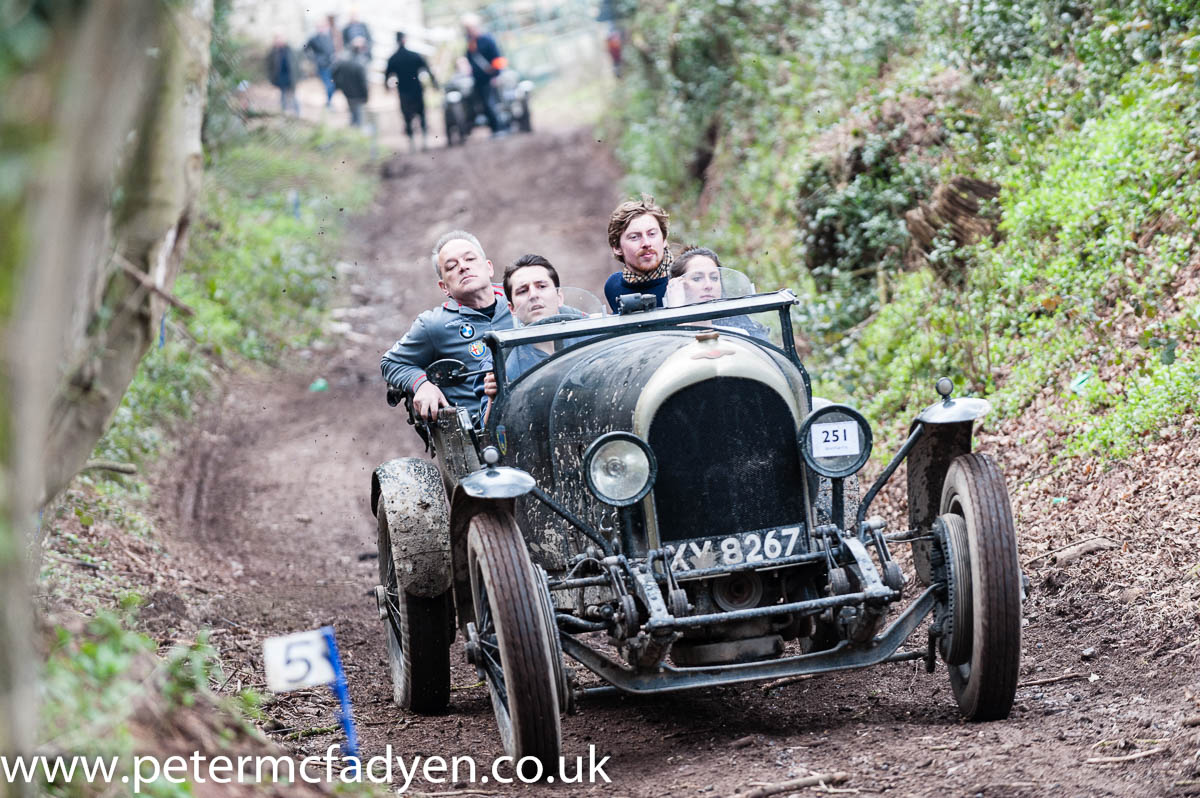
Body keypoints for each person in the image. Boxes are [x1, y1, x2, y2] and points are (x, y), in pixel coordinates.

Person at [381, 231, 513, 421]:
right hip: (482, 435)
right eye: (451, 266)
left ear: (489, 267)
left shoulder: (522, 298)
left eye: (470, 259)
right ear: (444, 287)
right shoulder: (434, 325)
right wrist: (422, 384)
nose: (463, 267)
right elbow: (391, 363)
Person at [665, 246, 770, 339]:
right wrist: (676, 312)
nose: (709, 285)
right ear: (678, 286)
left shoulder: (741, 333)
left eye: (714, 278)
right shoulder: (662, 336)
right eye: (697, 278)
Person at [603, 195, 673, 312]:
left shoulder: (683, 281)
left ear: (664, 239)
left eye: (652, 234)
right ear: (616, 247)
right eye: (634, 237)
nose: (646, 243)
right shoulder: (613, 287)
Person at [385, 32, 439, 152]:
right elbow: (427, 69)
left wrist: (386, 88)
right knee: (421, 114)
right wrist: (434, 84)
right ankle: (425, 141)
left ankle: (412, 144)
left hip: (403, 91)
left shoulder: (394, 58)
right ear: (405, 40)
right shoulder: (414, 56)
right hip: (417, 89)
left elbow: (387, 75)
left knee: (407, 116)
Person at [462, 13, 506, 135]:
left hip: (490, 77)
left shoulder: (488, 40)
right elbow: (469, 58)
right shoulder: (471, 43)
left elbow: (497, 58)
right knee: (483, 104)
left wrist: (497, 75)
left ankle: (499, 128)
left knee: (491, 103)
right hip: (478, 79)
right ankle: (494, 128)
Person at [332, 38, 370, 127]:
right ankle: (356, 132)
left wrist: (339, 86)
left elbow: (334, 73)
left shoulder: (343, 59)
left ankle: (353, 128)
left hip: (347, 92)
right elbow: (363, 82)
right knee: (358, 115)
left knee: (353, 112)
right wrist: (366, 95)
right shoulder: (360, 63)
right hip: (358, 94)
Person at [303, 22, 337, 107]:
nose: (321, 29)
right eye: (319, 27)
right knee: (329, 85)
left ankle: (329, 102)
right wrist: (313, 58)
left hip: (331, 65)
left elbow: (332, 50)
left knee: (333, 85)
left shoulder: (329, 37)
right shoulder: (314, 39)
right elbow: (304, 47)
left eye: (323, 27)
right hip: (322, 66)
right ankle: (329, 104)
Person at [266, 35, 300, 116]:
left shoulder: (290, 50)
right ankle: (284, 112)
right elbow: (269, 66)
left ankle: (297, 112)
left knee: (293, 95)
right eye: (277, 39)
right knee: (283, 94)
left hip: (290, 77)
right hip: (280, 77)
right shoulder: (273, 52)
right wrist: (271, 78)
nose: (279, 41)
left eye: (280, 39)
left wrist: (298, 76)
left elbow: (296, 64)